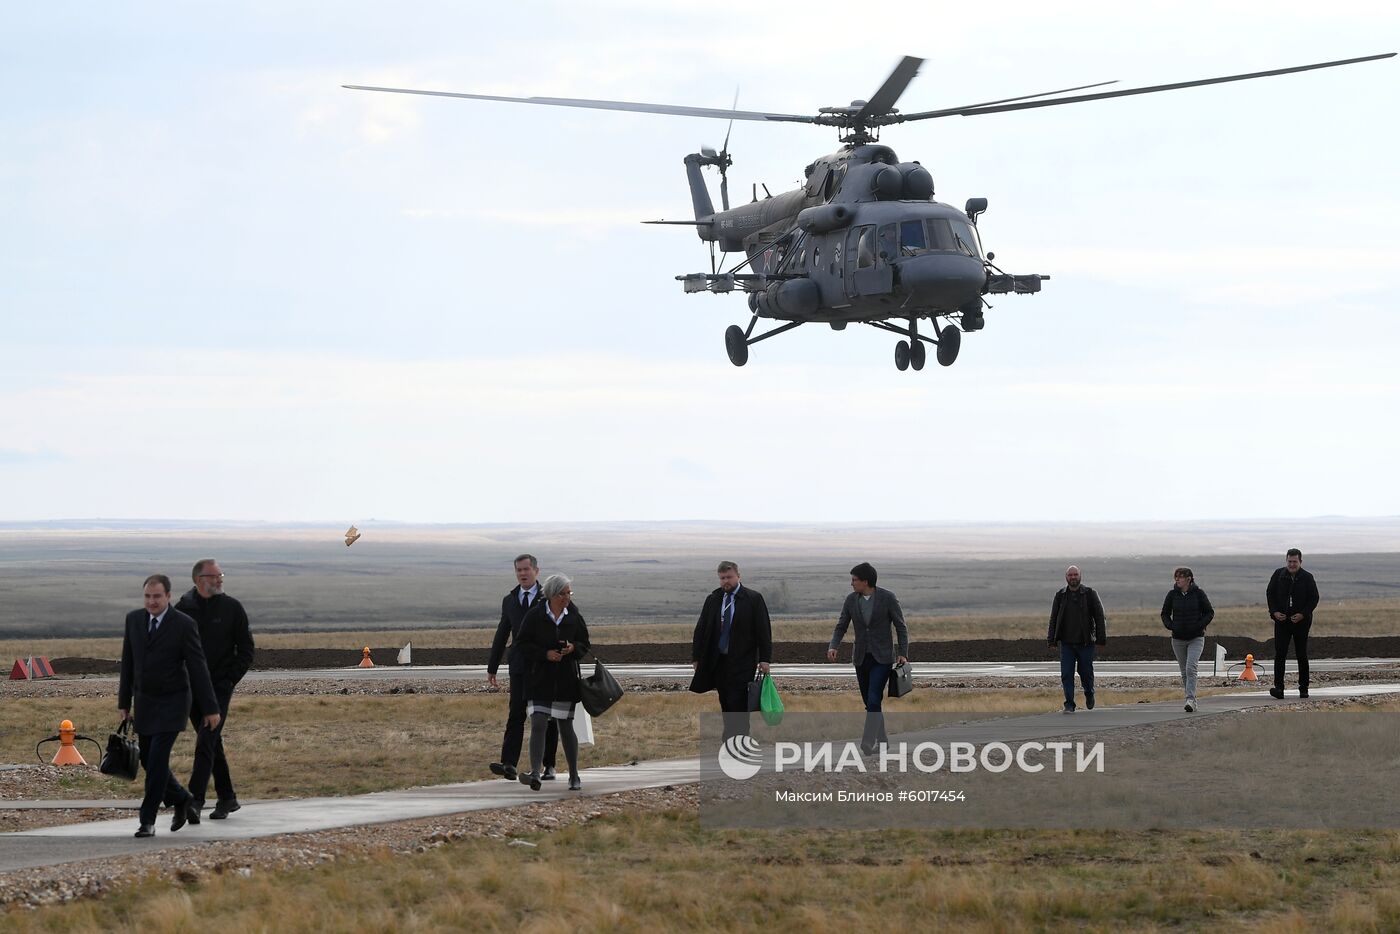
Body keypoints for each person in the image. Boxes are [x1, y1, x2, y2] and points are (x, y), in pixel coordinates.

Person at [118, 574, 221, 838]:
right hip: (145, 703)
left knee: (157, 761)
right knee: (147, 761)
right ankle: (182, 798)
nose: (151, 602)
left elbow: (198, 667)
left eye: (157, 597)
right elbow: (127, 664)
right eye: (147, 597)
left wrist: (210, 708)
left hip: (173, 702)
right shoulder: (133, 621)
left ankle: (147, 820)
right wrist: (124, 703)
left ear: (168, 597)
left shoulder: (183, 625)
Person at [175, 559, 254, 821]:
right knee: (212, 743)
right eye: (214, 576)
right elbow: (172, 648)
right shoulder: (183, 610)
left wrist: (230, 680)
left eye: (221, 575)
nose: (220, 579)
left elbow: (246, 649)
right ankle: (228, 797)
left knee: (206, 740)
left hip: (219, 687)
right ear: (199, 580)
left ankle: (194, 800)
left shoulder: (232, 608)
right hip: (191, 688)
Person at [515, 574, 590, 791]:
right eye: (563, 593)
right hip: (539, 679)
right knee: (538, 723)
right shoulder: (535, 616)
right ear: (552, 595)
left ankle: (574, 775)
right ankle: (536, 773)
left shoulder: (573, 617)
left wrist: (572, 649)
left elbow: (585, 643)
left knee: (566, 727)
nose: (568, 597)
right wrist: (544, 654)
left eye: (569, 593)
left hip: (565, 681)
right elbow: (521, 644)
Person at [486, 554, 558, 781]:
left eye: (526, 569)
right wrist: (492, 666)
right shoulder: (510, 600)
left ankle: (549, 765)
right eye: (519, 570)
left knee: (546, 716)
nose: (522, 574)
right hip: (518, 665)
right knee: (515, 713)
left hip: (544, 665)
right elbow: (502, 633)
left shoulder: (549, 598)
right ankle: (509, 763)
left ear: (536, 571)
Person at [827, 562, 908, 752]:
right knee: (869, 702)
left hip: (882, 658)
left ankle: (867, 741)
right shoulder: (851, 600)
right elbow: (841, 626)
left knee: (873, 699)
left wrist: (903, 653)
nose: (852, 583)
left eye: (854, 580)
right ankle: (882, 740)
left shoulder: (887, 598)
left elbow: (901, 627)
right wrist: (833, 645)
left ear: (865, 581)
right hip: (861, 657)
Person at [690, 561, 772, 739]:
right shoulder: (713, 599)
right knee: (726, 700)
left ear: (738, 576)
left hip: (742, 660)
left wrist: (765, 659)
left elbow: (763, 630)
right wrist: (696, 657)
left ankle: (738, 740)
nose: (725, 581)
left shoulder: (753, 599)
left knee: (739, 702)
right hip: (719, 660)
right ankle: (730, 739)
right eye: (722, 578)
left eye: (729, 577)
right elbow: (701, 629)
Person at [1047, 565, 1107, 714]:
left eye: (1075, 575)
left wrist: (1101, 638)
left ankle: (1089, 692)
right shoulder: (1060, 595)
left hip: (1085, 643)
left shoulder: (1089, 594)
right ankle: (1069, 704)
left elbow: (1100, 616)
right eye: (1070, 575)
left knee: (1085, 672)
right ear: (1066, 577)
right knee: (1066, 674)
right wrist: (1051, 639)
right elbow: (1053, 618)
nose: (1073, 577)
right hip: (1066, 644)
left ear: (1080, 576)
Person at [1267, 548, 1321, 699]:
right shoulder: (1278, 575)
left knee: (1301, 654)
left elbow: (1314, 598)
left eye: (1295, 562)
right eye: (1289, 561)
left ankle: (1303, 688)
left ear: (1300, 562)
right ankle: (1279, 688)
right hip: (1282, 621)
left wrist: (1303, 614)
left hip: (1301, 622)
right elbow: (1270, 594)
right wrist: (1274, 612)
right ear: (1286, 561)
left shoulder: (1307, 577)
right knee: (1280, 654)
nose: (1292, 564)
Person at [1161, 567, 1214, 713]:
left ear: (1189, 578)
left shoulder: (1198, 594)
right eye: (1176, 577)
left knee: (1191, 668)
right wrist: (1172, 626)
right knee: (1184, 671)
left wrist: (1198, 626)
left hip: (1196, 638)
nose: (1177, 580)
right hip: (1178, 639)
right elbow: (1165, 613)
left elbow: (1209, 612)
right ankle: (1190, 700)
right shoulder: (1172, 595)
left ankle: (1190, 699)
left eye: (1180, 577)